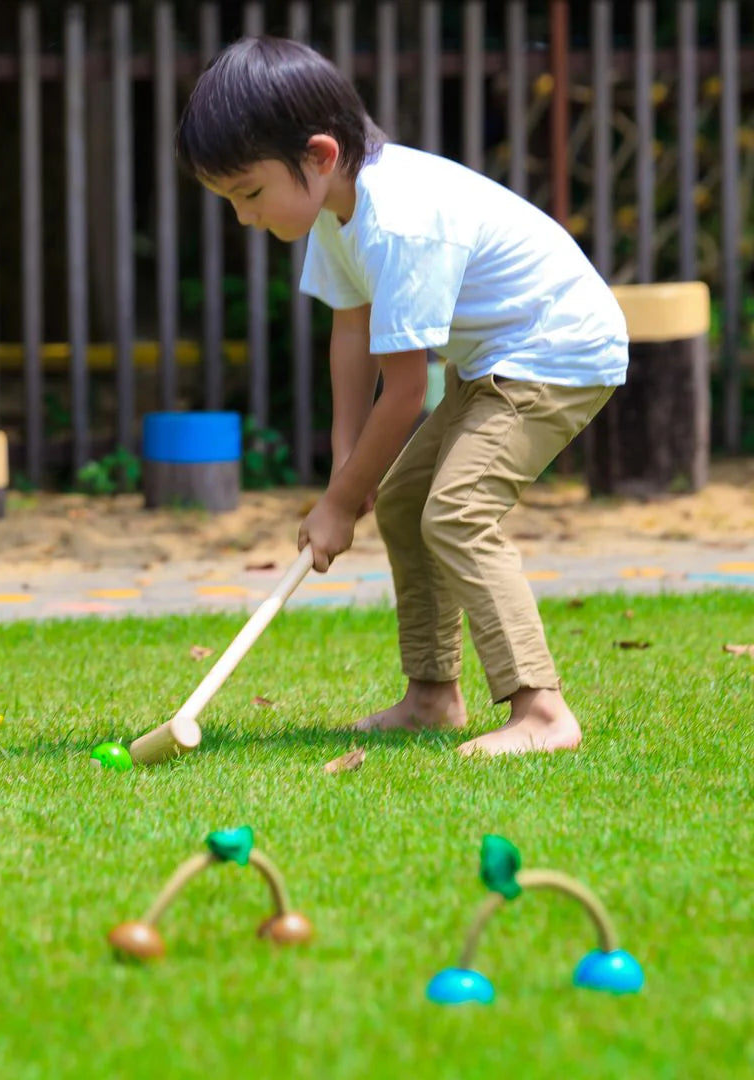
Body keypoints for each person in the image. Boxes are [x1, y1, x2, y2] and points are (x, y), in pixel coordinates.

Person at [176, 35, 628, 756]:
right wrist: (346, 475)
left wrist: (337, 503)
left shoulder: (401, 220)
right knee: (406, 501)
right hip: (497, 361)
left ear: (319, 155)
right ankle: (431, 696)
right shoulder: (339, 210)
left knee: (457, 510)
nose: (244, 217)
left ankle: (542, 713)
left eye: (250, 194)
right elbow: (351, 336)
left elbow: (408, 389)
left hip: (558, 352)